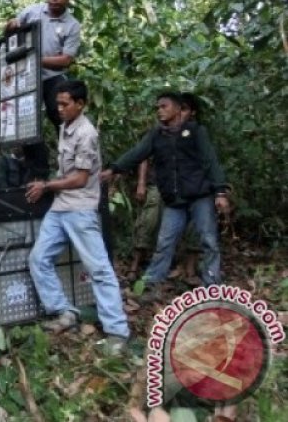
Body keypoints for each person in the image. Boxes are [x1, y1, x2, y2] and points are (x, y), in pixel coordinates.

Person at [26, 80, 130, 353]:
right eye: (57, 103)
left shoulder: (87, 133)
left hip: (80, 209)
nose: (59, 108)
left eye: (65, 104)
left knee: (99, 269)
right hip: (60, 207)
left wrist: (46, 186)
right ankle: (64, 312)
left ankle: (117, 332)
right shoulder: (65, 127)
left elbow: (81, 179)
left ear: (80, 104)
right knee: (38, 258)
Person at [102, 91, 230, 299]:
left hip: (199, 195)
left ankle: (212, 287)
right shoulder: (156, 135)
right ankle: (151, 285)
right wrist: (114, 169)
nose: (159, 111)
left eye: (164, 106)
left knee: (208, 240)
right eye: (158, 107)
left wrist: (220, 192)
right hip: (174, 199)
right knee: (164, 242)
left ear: (178, 109)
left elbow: (210, 161)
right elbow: (137, 153)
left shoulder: (196, 131)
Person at [1, 0, 81, 180]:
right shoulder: (32, 11)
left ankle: (72, 168)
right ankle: (38, 173)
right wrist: (10, 25)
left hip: (53, 78)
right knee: (25, 124)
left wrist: (35, 59)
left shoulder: (72, 25)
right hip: (25, 77)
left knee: (63, 118)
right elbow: (10, 32)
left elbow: (65, 60)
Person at [128, 93, 200, 284]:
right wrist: (142, 183)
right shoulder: (159, 131)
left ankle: (189, 269)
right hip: (160, 184)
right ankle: (136, 265)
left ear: (191, 113)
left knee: (195, 223)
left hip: (188, 188)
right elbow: (142, 156)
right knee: (150, 218)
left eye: (185, 110)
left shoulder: (195, 133)